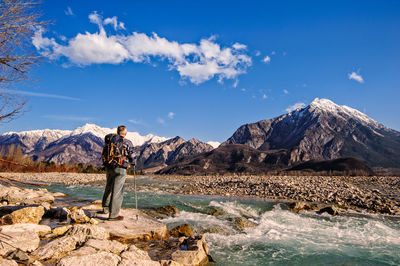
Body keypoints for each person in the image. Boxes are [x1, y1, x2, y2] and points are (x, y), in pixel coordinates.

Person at [101, 125, 136, 221]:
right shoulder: (127, 142)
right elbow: (132, 155)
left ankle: (105, 209)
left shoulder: (111, 140)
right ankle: (113, 215)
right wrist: (133, 162)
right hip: (120, 168)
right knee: (118, 191)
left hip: (109, 167)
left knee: (108, 187)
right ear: (125, 133)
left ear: (117, 132)